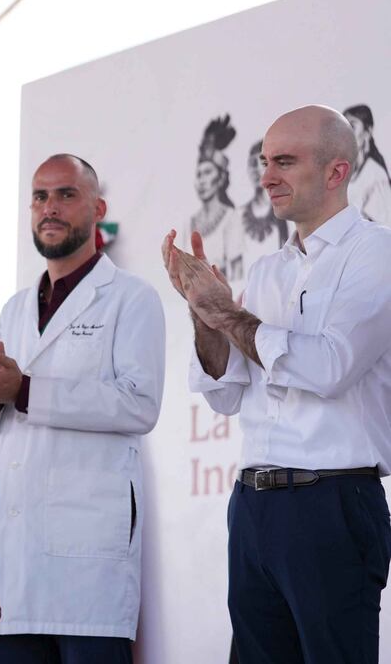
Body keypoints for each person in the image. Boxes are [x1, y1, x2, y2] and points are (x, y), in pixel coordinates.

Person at [163, 104, 391, 663]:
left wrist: (229, 316)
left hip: (333, 502)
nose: (266, 176)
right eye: (265, 161)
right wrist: (203, 314)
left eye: (284, 161)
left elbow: (330, 367)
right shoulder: (269, 270)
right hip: (252, 506)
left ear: (336, 172)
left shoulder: (378, 252)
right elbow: (226, 391)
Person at [0, 154, 166, 664]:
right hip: (17, 574)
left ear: (98, 208)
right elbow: (6, 427)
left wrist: (24, 389)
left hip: (90, 571)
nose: (51, 208)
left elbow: (138, 405)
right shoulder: (14, 307)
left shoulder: (131, 298)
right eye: (40, 197)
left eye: (66, 194)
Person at [191, 115, 245, 282]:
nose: (202, 181)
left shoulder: (231, 218)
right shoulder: (189, 223)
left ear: (221, 178)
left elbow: (237, 275)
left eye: (208, 172)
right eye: (199, 174)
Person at [241, 139, 291, 270]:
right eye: (252, 163)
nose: (256, 170)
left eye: (263, 163)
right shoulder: (236, 215)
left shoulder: (289, 213)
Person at [344, 104, 391, 225]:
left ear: (368, 131)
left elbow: (384, 228)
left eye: (352, 126)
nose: (345, 132)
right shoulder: (344, 171)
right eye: (343, 126)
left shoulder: (376, 175)